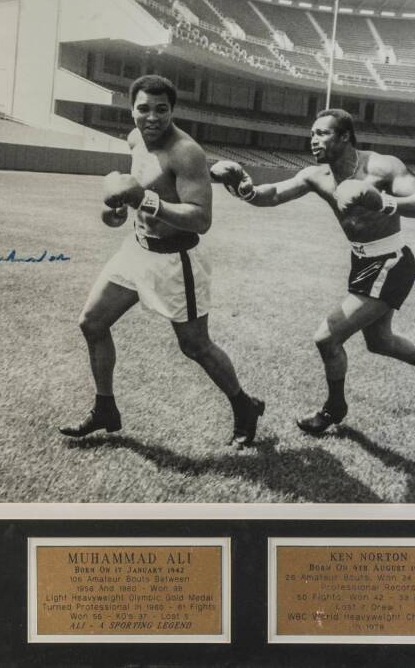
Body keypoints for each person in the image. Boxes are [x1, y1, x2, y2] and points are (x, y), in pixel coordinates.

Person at [211, 108, 415, 435]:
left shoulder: (381, 166)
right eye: (311, 134)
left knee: (327, 337)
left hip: (391, 262)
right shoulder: (317, 176)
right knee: (381, 342)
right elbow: (274, 195)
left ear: (345, 136)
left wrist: (383, 202)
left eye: (322, 133)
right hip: (363, 263)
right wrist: (244, 189)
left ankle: (334, 408)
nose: (314, 140)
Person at [60, 75, 264, 448]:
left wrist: (145, 201)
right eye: (143, 109)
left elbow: (201, 218)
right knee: (92, 322)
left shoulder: (186, 152)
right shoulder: (135, 138)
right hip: (137, 249)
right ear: (131, 109)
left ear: (172, 110)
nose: (151, 117)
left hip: (177, 260)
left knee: (196, 346)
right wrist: (119, 210)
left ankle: (244, 405)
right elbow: (136, 192)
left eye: (161, 109)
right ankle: (105, 408)